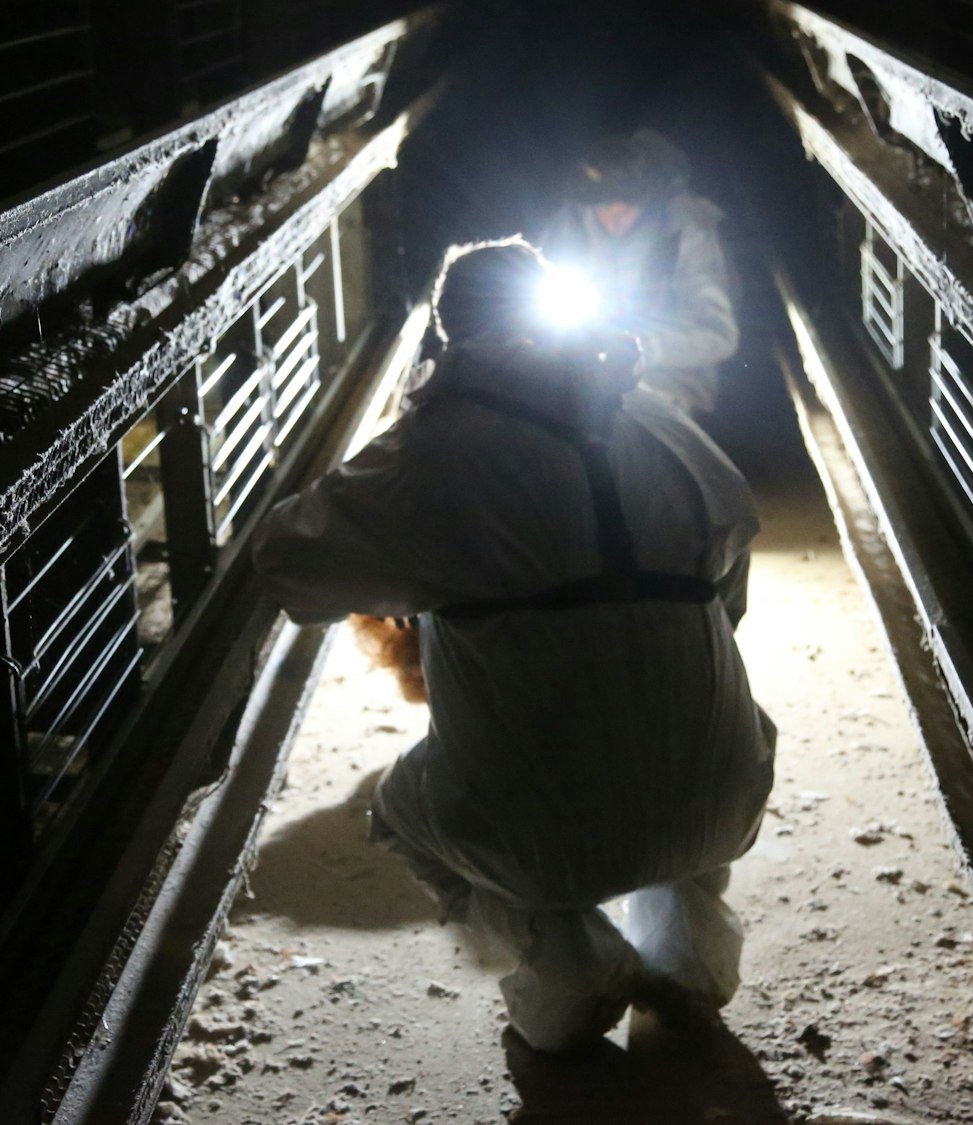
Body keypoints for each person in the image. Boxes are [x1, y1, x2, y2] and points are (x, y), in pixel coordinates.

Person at [252, 238, 775, 1052]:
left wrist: (422, 567)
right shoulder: (664, 424)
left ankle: (572, 967)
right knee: (682, 741)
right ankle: (692, 967)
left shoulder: (435, 448)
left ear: (448, 333)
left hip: (544, 836)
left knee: (398, 812)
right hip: (724, 797)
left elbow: (288, 566)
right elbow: (732, 589)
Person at [540, 128, 738, 416]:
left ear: (646, 200)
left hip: (668, 383)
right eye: (602, 210)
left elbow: (720, 335)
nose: (610, 220)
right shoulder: (573, 222)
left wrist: (641, 346)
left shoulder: (685, 231)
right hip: (575, 370)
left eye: (621, 212)